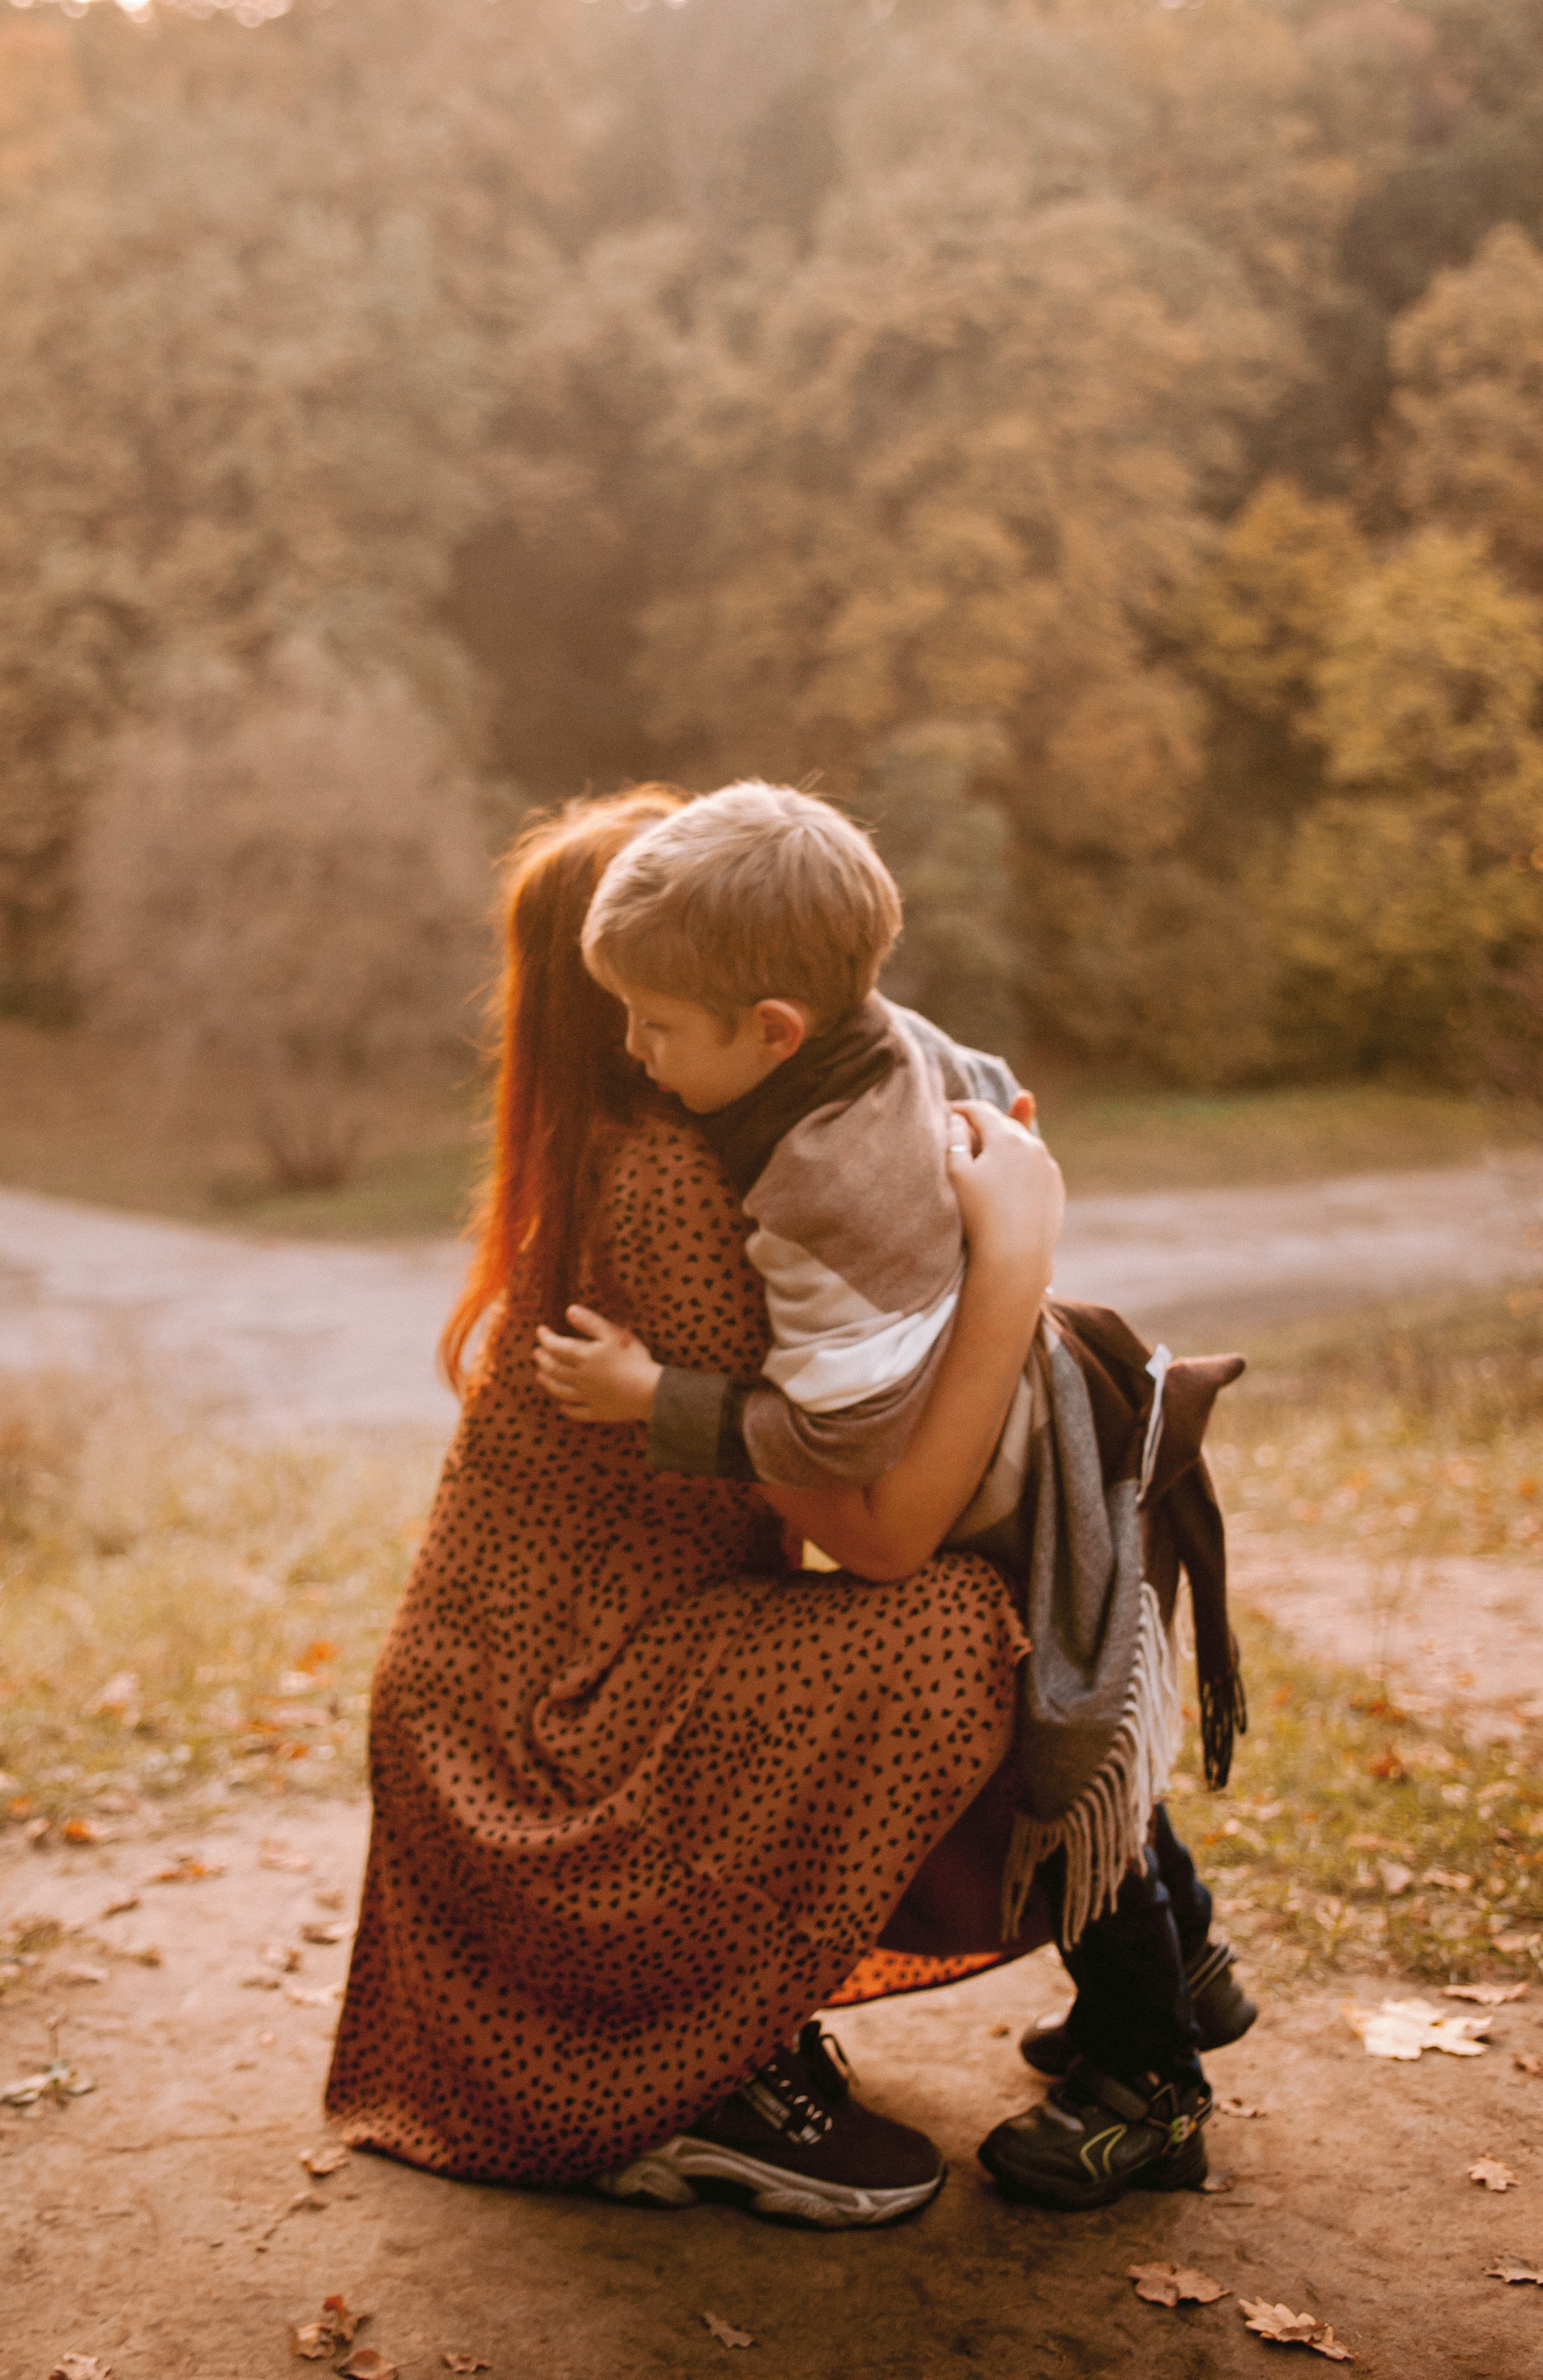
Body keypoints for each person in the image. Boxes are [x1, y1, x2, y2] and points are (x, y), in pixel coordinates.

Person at [323, 787, 1060, 2228]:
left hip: (557, 1686)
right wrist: (1015, 1269)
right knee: (956, 1626)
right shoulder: (672, 1192)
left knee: (985, 1606)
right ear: (624, 1013)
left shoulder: (695, 1145)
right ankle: (675, 2088)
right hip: (542, 1745)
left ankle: (742, 2034)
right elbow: (886, 1531)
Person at [535, 782, 1254, 2210]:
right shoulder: (885, 1038)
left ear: (771, 1032)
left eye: (657, 1029)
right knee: (1088, 1726)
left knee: (1058, 1743)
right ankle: (1191, 1972)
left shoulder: (811, 1187)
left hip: (1002, 1487)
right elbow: (986, 1082)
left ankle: (1151, 2085)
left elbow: (843, 1425)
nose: (632, 1050)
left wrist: (657, 1403)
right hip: (1055, 1413)